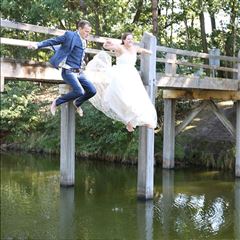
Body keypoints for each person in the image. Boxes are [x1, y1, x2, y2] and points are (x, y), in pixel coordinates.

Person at [85, 32, 157, 132]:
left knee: (138, 98)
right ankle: (128, 122)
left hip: (132, 75)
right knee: (122, 99)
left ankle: (146, 120)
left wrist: (149, 51)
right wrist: (108, 43)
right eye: (128, 39)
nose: (130, 41)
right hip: (120, 75)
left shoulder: (134, 48)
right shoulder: (120, 48)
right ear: (123, 40)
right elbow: (107, 47)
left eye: (131, 39)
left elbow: (141, 50)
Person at [28, 20, 96, 117]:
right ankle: (57, 102)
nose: (88, 34)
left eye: (89, 32)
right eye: (86, 31)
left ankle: (77, 103)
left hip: (79, 72)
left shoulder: (84, 40)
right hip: (68, 71)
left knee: (92, 91)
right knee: (79, 91)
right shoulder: (70, 35)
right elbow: (54, 40)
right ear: (80, 28)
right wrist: (38, 44)